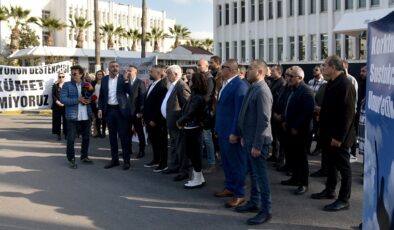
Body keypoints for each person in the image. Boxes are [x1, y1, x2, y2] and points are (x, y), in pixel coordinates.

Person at [311, 55, 356, 212]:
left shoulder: (345, 85)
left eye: (325, 65)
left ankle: (344, 199)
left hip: (339, 137)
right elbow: (333, 108)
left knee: (343, 168)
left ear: (334, 68)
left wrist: (339, 138)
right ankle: (329, 190)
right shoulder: (331, 83)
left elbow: (348, 115)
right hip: (327, 134)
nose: (322, 68)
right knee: (330, 165)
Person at [237, 60, 273, 225]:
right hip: (250, 139)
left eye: (250, 69)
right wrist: (244, 135)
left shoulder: (263, 91)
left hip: (258, 142)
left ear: (259, 72)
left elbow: (263, 121)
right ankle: (254, 202)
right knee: (253, 174)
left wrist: (257, 145)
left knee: (261, 177)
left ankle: (266, 210)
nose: (247, 71)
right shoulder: (254, 87)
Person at [214, 59, 248, 208]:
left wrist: (235, 132)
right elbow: (221, 109)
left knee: (236, 163)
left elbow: (239, 113)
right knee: (226, 162)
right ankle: (230, 187)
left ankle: (239, 194)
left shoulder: (240, 86)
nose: (221, 70)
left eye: (224, 67)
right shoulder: (226, 84)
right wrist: (217, 128)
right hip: (222, 130)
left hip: (231, 133)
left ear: (232, 69)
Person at [279, 66, 315, 195]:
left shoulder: (306, 91)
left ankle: (303, 183)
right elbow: (287, 107)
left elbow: (307, 113)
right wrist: (284, 120)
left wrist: (296, 127)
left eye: (291, 76)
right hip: (289, 127)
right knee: (292, 154)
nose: (288, 78)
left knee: (301, 157)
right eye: (287, 76)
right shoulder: (292, 89)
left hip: (301, 131)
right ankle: (295, 178)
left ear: (300, 78)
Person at [98, 60, 132, 170]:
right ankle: (114, 160)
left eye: (117, 66)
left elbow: (130, 91)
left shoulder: (123, 78)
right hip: (109, 110)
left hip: (120, 111)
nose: (115, 68)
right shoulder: (104, 79)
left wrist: (127, 81)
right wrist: (100, 108)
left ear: (119, 68)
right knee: (112, 137)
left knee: (123, 137)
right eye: (112, 66)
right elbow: (102, 96)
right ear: (109, 68)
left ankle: (126, 161)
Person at [176, 72, 207, 188]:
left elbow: (190, 114)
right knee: (192, 153)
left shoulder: (197, 97)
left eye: (191, 80)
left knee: (194, 154)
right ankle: (199, 177)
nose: (189, 81)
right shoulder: (196, 95)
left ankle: (198, 179)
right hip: (191, 127)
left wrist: (179, 122)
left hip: (193, 128)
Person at [160, 65, 191, 181]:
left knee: (181, 148)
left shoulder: (182, 86)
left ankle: (183, 171)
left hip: (179, 124)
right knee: (174, 146)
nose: (167, 76)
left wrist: (182, 121)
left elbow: (187, 105)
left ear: (176, 74)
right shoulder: (173, 85)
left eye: (169, 74)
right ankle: (174, 166)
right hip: (172, 123)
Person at [60, 65, 93, 169]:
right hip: (73, 116)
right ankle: (71, 159)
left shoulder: (87, 84)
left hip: (86, 115)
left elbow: (91, 97)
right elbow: (63, 99)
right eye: (72, 73)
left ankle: (84, 156)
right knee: (71, 139)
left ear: (81, 74)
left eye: (75, 73)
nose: (73, 75)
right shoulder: (66, 85)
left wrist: (89, 100)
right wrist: (78, 100)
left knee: (86, 137)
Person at [143, 65, 168, 172]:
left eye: (151, 71)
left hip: (156, 121)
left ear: (158, 73)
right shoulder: (153, 84)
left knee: (161, 142)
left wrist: (154, 119)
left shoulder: (162, 86)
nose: (150, 73)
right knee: (153, 141)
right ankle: (156, 159)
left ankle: (163, 163)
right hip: (149, 119)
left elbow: (160, 105)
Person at [197, 58, 216, 174]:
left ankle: (211, 163)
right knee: (203, 139)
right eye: (198, 65)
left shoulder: (209, 79)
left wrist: (197, 102)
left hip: (206, 113)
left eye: (200, 65)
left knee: (207, 139)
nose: (198, 67)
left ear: (206, 66)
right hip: (201, 112)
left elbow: (208, 97)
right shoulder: (202, 77)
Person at [126, 65, 147, 158]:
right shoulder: (125, 82)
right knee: (127, 133)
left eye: (130, 71)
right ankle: (128, 150)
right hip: (126, 113)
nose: (128, 72)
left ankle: (142, 150)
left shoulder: (140, 83)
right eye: (128, 71)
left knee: (139, 132)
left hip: (136, 113)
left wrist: (141, 112)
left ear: (135, 72)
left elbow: (142, 98)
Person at [267, 64, 286, 163]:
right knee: (274, 136)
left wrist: (277, 113)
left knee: (279, 138)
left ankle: (280, 158)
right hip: (272, 113)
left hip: (277, 114)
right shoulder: (273, 82)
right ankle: (274, 155)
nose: (271, 72)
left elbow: (280, 99)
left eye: (273, 71)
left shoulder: (282, 83)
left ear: (279, 72)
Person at [52, 72, 67, 141]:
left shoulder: (67, 85)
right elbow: (53, 95)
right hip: (57, 106)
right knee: (57, 121)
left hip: (65, 106)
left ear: (64, 78)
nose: (61, 78)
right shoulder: (55, 86)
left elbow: (69, 95)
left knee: (66, 120)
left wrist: (65, 103)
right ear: (58, 78)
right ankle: (58, 134)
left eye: (62, 77)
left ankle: (66, 133)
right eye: (59, 77)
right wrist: (57, 102)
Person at [93, 70, 106, 138]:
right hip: (96, 103)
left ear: (103, 75)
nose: (99, 75)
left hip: (103, 103)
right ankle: (98, 132)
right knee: (97, 118)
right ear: (96, 75)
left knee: (103, 119)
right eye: (98, 74)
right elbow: (92, 92)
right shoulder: (94, 83)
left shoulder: (105, 82)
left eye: (101, 74)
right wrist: (94, 99)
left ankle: (103, 132)